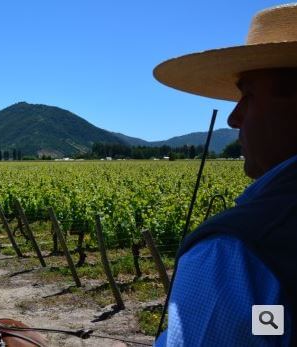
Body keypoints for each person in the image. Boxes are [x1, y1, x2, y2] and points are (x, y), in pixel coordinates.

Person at [152, 3, 297, 346]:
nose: (234, 118)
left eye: (248, 95)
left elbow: (266, 329)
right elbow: (269, 329)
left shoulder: (235, 253)